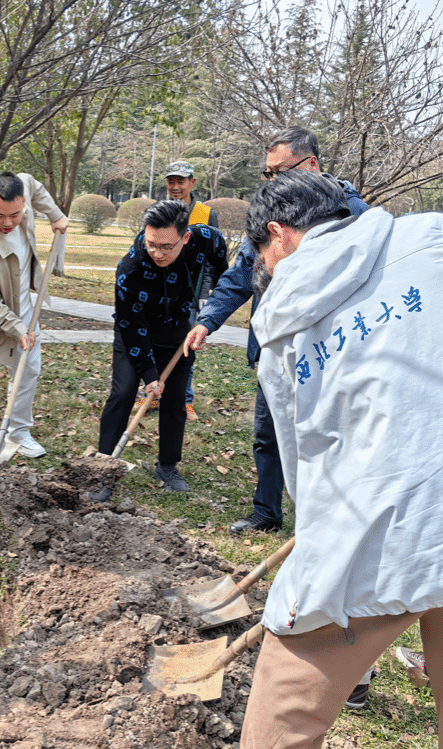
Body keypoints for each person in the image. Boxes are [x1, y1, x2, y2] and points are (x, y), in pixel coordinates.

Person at [236, 169, 443, 749]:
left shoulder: (277, 325)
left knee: (283, 711)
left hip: (365, 537)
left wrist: (316, 530)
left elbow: (298, 458)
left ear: (277, 233)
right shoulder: (430, 237)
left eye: (261, 257)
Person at [185, 127, 371, 536]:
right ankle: (267, 511)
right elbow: (241, 274)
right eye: (267, 173)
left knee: (332, 437)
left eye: (280, 171)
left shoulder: (352, 213)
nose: (272, 181)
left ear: (312, 164)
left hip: (333, 349)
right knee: (268, 433)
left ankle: (334, 523)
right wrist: (208, 319)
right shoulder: (269, 209)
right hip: (277, 347)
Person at [91, 200, 227, 500]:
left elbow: (222, 269)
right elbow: (130, 325)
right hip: (134, 330)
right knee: (123, 392)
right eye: (151, 244)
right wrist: (150, 375)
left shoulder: (206, 238)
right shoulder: (130, 268)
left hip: (177, 329)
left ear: (185, 237)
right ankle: (103, 468)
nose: (158, 253)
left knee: (176, 399)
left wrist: (211, 308)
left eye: (167, 247)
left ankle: (167, 466)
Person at [0, 171, 68, 459]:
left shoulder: (23, 188)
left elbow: (34, 184)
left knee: (28, 370)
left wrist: (56, 215)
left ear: (23, 203)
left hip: (24, 305)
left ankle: (18, 432)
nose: (7, 223)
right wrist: (17, 330)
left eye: (15, 215)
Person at [152, 161, 222, 422]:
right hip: (160, 290)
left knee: (185, 348)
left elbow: (212, 257)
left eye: (180, 181)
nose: (175, 187)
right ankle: (153, 394)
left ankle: (185, 400)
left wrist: (206, 292)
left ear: (192, 183)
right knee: (156, 344)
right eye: (171, 181)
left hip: (191, 293)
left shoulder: (206, 214)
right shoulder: (158, 210)